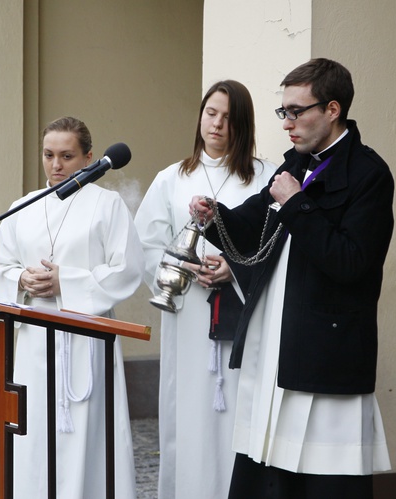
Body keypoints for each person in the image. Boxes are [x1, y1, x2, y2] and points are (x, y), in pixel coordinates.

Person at [190, 58, 394, 499]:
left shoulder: (369, 175)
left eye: (297, 111)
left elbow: (352, 262)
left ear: (333, 109)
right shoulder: (294, 165)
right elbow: (248, 227)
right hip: (275, 342)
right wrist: (214, 218)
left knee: (320, 477)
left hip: (325, 348)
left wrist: (298, 205)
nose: (287, 123)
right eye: (284, 112)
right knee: (266, 471)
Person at [134, 80, 277, 499]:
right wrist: (179, 273)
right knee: (190, 413)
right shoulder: (172, 178)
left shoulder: (264, 177)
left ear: (243, 125)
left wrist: (233, 270)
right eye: (210, 112)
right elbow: (146, 244)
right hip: (190, 313)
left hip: (243, 315)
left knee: (239, 411)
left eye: (228, 117)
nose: (216, 123)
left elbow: (275, 244)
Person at [0, 116, 142, 498]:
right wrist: (21, 281)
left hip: (86, 342)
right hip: (35, 341)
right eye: (48, 155)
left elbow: (127, 269)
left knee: (87, 436)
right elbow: (1, 267)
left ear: (89, 157)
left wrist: (67, 282)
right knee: (35, 432)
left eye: (66, 155)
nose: (56, 165)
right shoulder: (21, 207)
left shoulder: (107, 205)